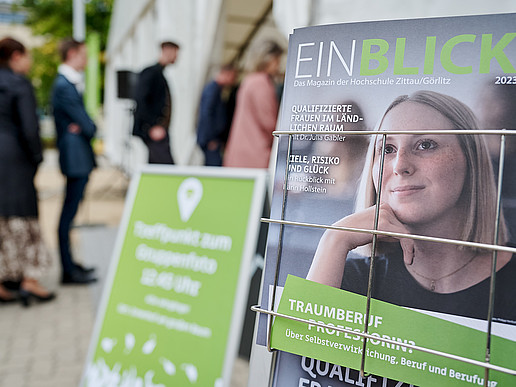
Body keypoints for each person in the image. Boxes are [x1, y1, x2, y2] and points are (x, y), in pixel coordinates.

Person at [307, 90, 516, 323]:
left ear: (471, 160)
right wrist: (334, 239)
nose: (400, 165)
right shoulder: (351, 278)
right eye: (387, 149)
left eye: (425, 144)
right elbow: (297, 353)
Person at [0, 37, 55, 305]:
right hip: (15, 160)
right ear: (16, 56)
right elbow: (30, 129)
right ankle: (29, 280)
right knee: (24, 219)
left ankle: (3, 280)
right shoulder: (19, 84)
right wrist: (36, 157)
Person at [51, 38, 97, 284]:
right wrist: (87, 126)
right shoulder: (64, 86)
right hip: (74, 159)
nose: (87, 60)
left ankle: (71, 264)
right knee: (68, 214)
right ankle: (67, 270)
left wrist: (84, 126)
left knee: (71, 212)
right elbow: (89, 126)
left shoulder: (70, 84)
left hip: (79, 157)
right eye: (83, 54)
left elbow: (85, 125)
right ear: (71, 54)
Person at [223, 40, 284, 168]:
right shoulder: (262, 83)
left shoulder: (248, 80)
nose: (279, 65)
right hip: (255, 153)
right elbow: (268, 122)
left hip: (240, 150)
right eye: (277, 60)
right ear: (268, 59)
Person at [132, 41, 180, 164]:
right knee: (165, 168)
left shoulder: (158, 73)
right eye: (175, 53)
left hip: (159, 130)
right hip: (154, 130)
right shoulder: (151, 73)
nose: (176, 57)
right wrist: (151, 126)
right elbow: (140, 100)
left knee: (157, 166)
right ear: (167, 50)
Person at [196, 64, 237, 166]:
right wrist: (210, 139)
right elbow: (206, 114)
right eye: (232, 77)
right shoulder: (212, 90)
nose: (233, 81)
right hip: (210, 141)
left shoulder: (217, 90)